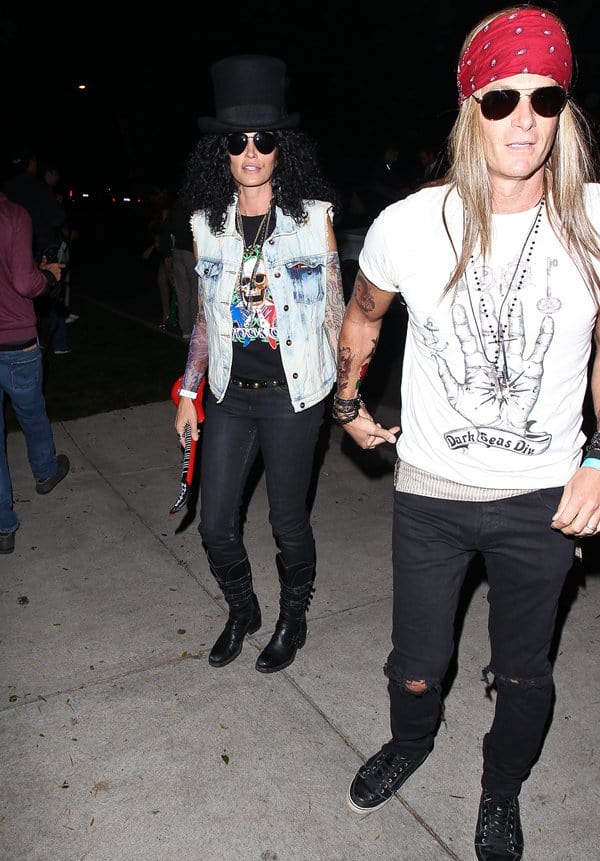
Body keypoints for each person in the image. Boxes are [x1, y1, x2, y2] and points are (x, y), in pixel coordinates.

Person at [334, 6, 600, 860]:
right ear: (468, 110)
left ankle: (500, 789)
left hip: (542, 499)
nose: (524, 117)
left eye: (545, 96)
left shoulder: (595, 218)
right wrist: (348, 400)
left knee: (524, 674)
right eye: (500, 99)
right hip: (432, 494)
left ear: (565, 110)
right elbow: (364, 311)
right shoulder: (411, 223)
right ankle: (411, 742)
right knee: (417, 661)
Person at [175, 54, 345, 673]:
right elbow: (203, 321)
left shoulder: (314, 218)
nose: (251, 152)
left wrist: (347, 399)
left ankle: (291, 619)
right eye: (238, 142)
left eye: (264, 140)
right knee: (214, 522)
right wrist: (189, 393)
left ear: (282, 148)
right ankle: (242, 608)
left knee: (286, 521)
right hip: (227, 392)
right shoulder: (206, 225)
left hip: (294, 396)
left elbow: (335, 313)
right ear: (220, 151)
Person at [0, 192, 70, 555]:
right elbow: (26, 283)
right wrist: (50, 277)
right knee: (31, 409)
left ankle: (2, 525)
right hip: (15, 339)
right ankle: (45, 471)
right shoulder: (12, 214)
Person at [159, 193, 198, 340]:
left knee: (183, 293)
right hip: (190, 253)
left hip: (177, 253)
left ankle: (186, 330)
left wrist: (167, 252)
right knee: (195, 292)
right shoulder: (195, 208)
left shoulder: (176, 208)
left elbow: (166, 229)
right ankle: (194, 329)